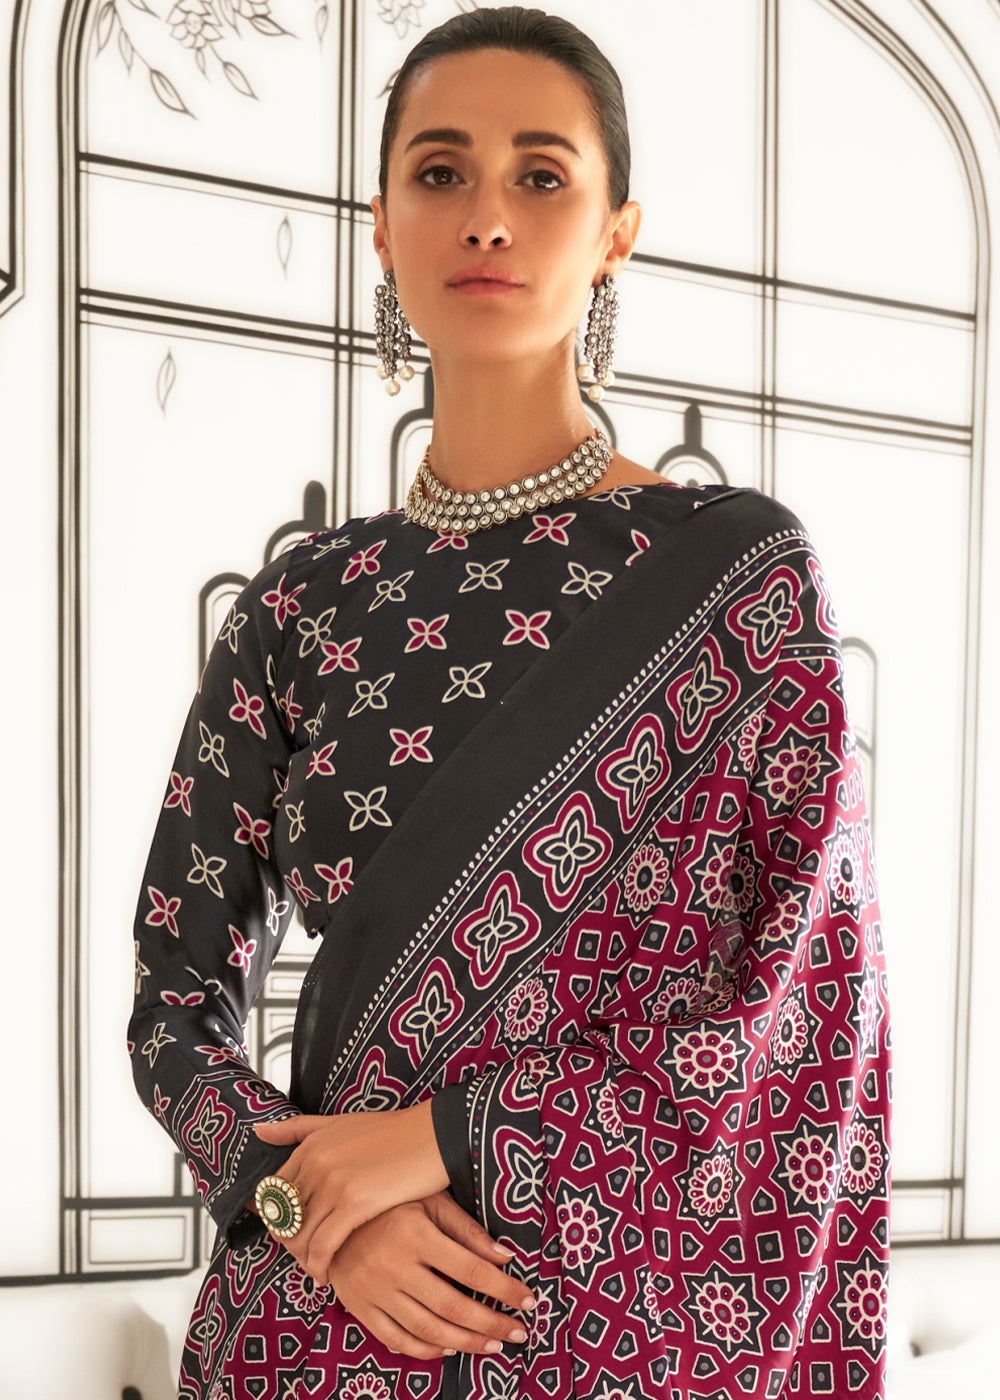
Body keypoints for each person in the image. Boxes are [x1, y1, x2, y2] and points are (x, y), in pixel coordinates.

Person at [128, 8, 892, 1399]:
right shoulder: (301, 606)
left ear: (615, 233)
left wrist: (447, 1136)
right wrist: (305, 1209)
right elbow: (174, 1005)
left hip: (624, 1327)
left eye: (542, 175)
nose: (487, 215)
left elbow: (800, 1005)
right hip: (321, 1325)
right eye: (440, 172)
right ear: (381, 228)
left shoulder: (738, 581)